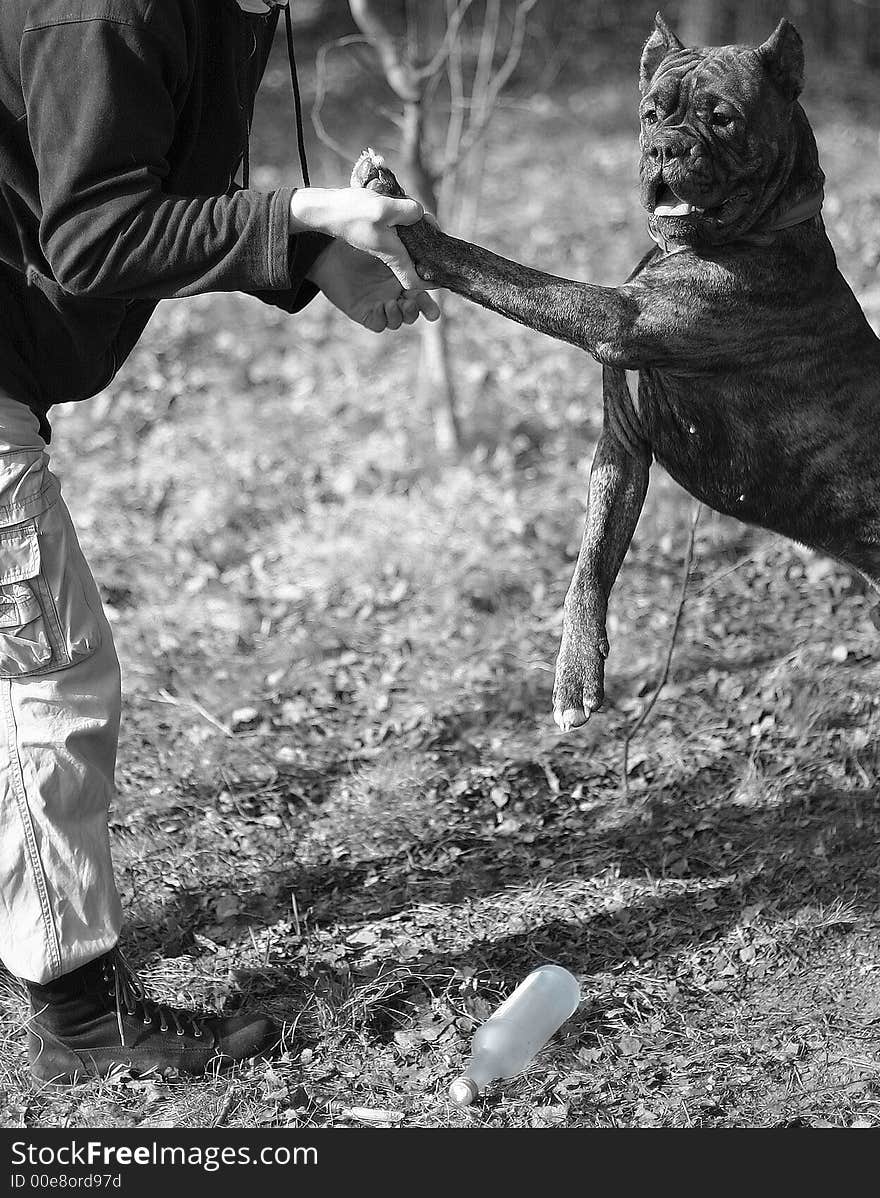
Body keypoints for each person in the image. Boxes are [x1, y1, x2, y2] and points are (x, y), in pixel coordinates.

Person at [0, 0, 439, 1084]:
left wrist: (309, 252)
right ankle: (80, 1017)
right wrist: (300, 208)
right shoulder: (105, 11)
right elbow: (95, 235)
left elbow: (158, 192)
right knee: (49, 674)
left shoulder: (230, 12)